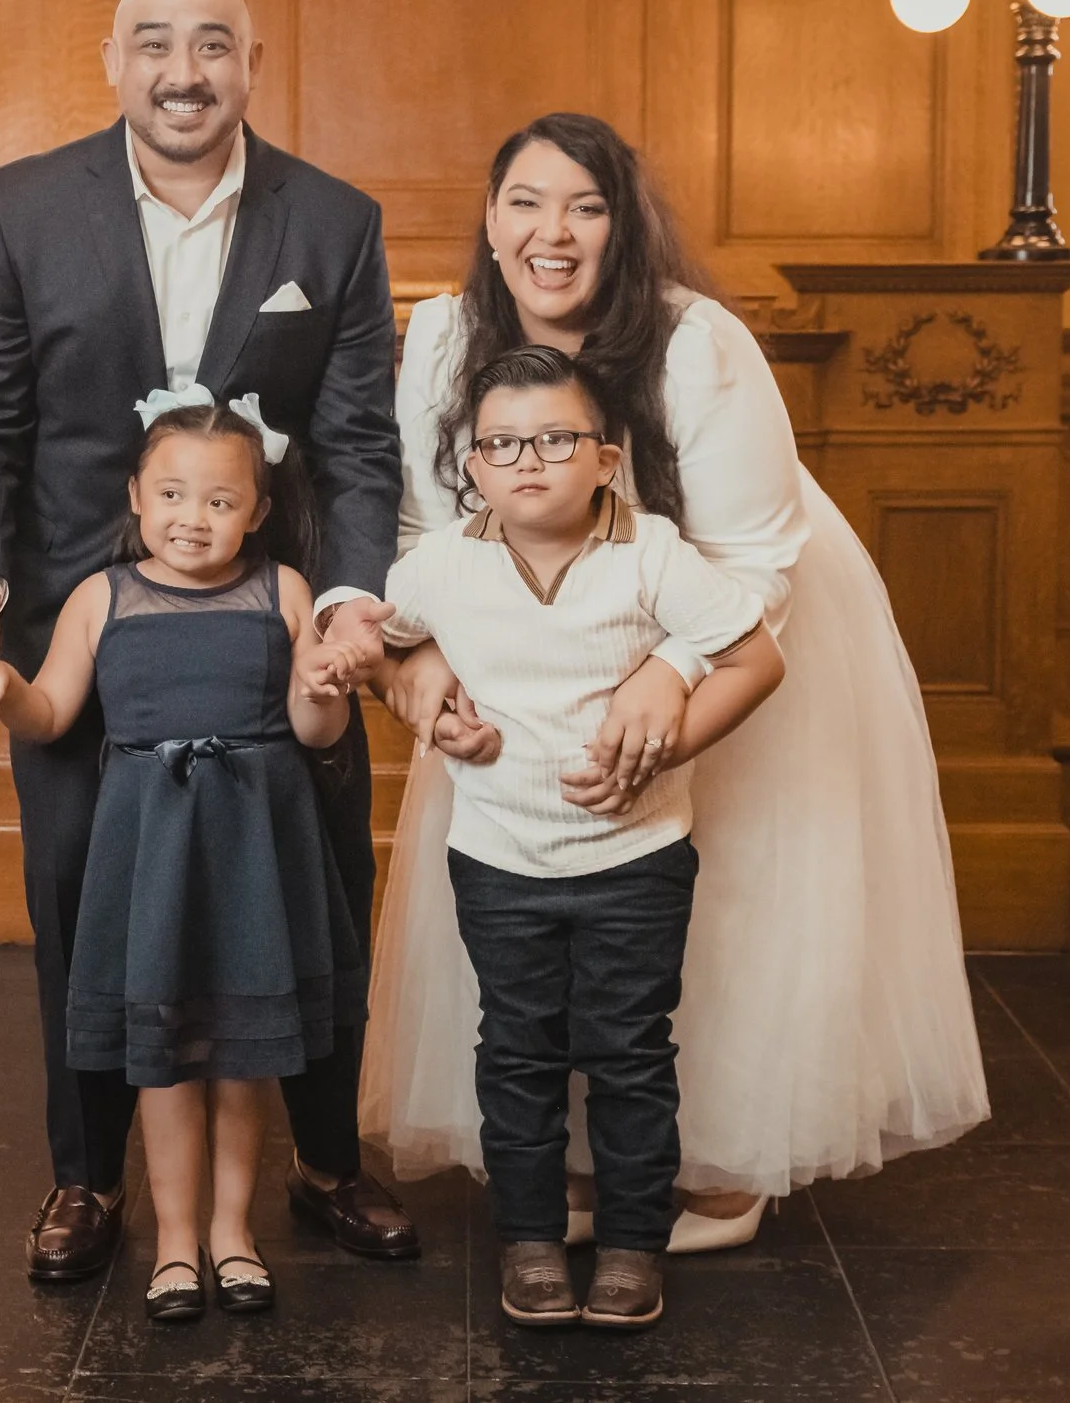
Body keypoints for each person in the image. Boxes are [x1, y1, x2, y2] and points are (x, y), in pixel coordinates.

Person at [361, 113, 989, 1251]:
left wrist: (666, 674)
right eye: (525, 203)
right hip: (529, 642)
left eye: (586, 207)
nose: (553, 232)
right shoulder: (443, 336)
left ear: (622, 227)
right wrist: (423, 658)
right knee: (539, 907)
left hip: (723, 614)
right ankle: (580, 1162)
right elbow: (418, 527)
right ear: (489, 223)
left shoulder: (695, 340)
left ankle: (721, 1162)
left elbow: (752, 557)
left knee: (713, 894)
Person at [0, 0, 419, 1284]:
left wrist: (351, 607)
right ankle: (86, 1178)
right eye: (154, 43)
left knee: (313, 895)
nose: (182, 71)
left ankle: (323, 1162)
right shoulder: (20, 210)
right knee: (84, 901)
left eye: (210, 45)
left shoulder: (336, 222)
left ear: (252, 62)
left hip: (277, 632)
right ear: (112, 60)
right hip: (88, 623)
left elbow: (362, 442)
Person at [329, 344, 783, 1328]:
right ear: (474, 465)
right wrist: (425, 702)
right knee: (518, 1053)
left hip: (636, 858)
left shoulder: (649, 551)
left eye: (554, 438)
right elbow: (383, 644)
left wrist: (664, 748)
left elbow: (753, 660)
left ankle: (629, 1243)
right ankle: (529, 1238)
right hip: (498, 861)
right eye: (501, 442)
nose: (527, 458)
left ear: (605, 459)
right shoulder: (444, 561)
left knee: (628, 1052)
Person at [0, 397, 366, 1320]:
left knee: (243, 1054)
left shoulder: (284, 590)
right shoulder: (102, 596)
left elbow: (311, 724)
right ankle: (175, 1240)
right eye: (171, 493)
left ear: (257, 509)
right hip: (153, 846)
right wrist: (2, 685)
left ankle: (233, 1232)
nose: (192, 516)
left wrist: (325, 685)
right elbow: (50, 712)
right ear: (135, 495)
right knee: (164, 1056)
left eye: (220, 500)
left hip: (254, 842)